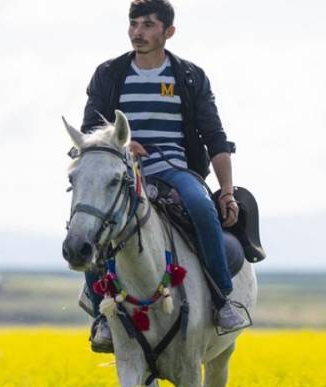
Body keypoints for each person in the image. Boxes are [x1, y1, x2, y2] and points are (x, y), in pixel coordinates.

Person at [80, 0, 247, 352]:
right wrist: (123, 143)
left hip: (174, 170)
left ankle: (222, 300)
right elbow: (91, 129)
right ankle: (101, 316)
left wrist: (227, 191)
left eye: (148, 25)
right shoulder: (108, 74)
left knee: (201, 207)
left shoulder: (189, 76)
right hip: (122, 173)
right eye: (133, 23)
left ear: (168, 32)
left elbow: (215, 137)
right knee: (89, 221)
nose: (137, 32)